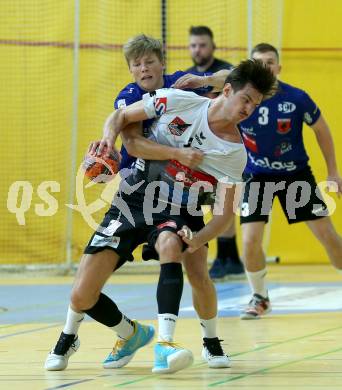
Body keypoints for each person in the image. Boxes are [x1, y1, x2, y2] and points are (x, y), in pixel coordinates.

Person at [45, 59, 275, 374]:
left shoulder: (234, 153)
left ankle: (186, 343)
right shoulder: (180, 101)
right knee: (82, 293)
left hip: (182, 205)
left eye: (255, 104)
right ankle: (131, 333)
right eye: (246, 99)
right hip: (134, 196)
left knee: (190, 264)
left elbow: (223, 216)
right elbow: (122, 115)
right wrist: (106, 141)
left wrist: (199, 238)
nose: (248, 108)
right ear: (228, 90)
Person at [238, 43, 342, 320]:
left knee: (329, 239)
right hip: (257, 176)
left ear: (279, 67)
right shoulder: (240, 99)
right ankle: (260, 297)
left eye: (270, 62)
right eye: (259, 63)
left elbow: (322, 130)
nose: (265, 67)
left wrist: (333, 172)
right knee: (249, 241)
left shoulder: (297, 98)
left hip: (295, 175)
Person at [186, 26, 244, 281]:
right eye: (193, 45)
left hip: (226, 147)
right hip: (197, 149)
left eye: (202, 45)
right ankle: (227, 258)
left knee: (224, 203)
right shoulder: (186, 77)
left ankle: (228, 257)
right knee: (210, 204)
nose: (198, 50)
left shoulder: (224, 74)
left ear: (213, 46)